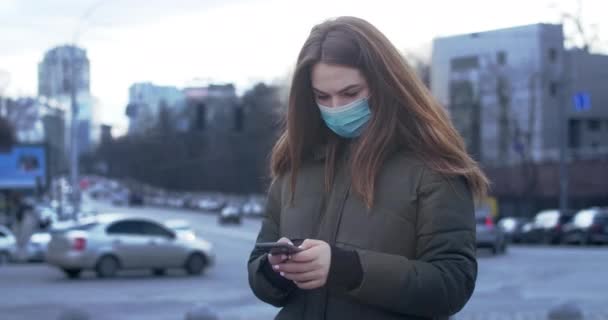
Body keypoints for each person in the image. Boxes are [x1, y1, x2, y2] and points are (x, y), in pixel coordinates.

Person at [248, 16, 488, 320]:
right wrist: (276, 269)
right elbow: (258, 271)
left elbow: (451, 284)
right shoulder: (296, 164)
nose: (336, 108)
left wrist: (346, 268)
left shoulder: (434, 167)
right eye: (322, 96)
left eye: (350, 93)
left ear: (384, 84)